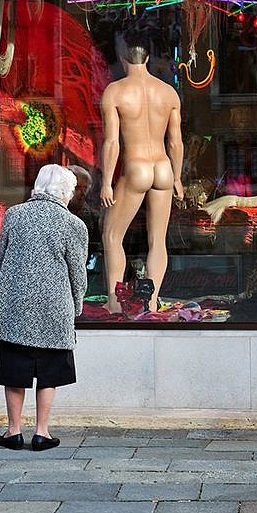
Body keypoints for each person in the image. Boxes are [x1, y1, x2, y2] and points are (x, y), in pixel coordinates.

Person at [0, 164, 88, 452]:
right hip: (54, 306)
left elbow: (0, 259)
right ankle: (42, 432)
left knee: (14, 368)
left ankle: (13, 432)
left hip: (15, 304)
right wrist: (76, 305)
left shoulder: (14, 215)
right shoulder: (73, 224)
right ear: (65, 192)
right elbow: (77, 273)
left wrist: (9, 291)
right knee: (49, 371)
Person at [100, 35, 184, 313]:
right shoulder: (168, 92)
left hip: (136, 166)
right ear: (148, 59)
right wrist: (178, 178)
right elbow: (176, 142)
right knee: (157, 240)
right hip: (163, 167)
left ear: (124, 60)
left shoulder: (115, 91)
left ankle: (114, 303)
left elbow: (112, 142)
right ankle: (152, 301)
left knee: (112, 236)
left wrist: (107, 182)